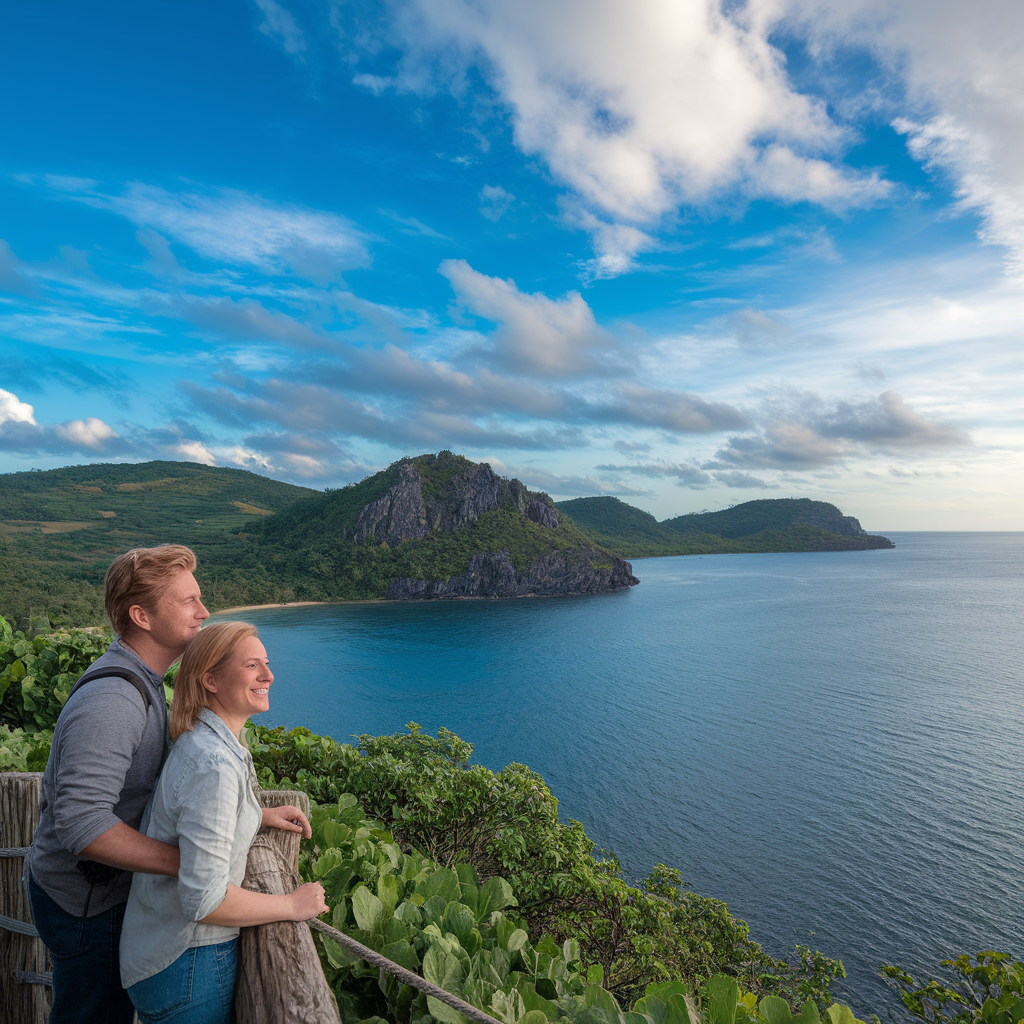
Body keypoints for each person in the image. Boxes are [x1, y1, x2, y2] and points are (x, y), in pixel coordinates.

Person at [27, 544, 210, 1024]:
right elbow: (83, 825)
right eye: (187, 601)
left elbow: (152, 783)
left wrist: (250, 812)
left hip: (94, 891)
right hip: (85, 901)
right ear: (141, 616)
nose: (203, 612)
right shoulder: (115, 700)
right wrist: (188, 864)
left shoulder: (144, 681)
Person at [118, 620, 328, 1023]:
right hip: (188, 961)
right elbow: (205, 900)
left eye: (265, 663)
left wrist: (256, 814)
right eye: (252, 666)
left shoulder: (204, 742)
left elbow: (196, 818)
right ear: (210, 680)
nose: (269, 675)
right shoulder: (213, 763)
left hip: (166, 957)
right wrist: (291, 904)